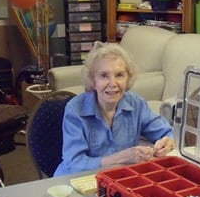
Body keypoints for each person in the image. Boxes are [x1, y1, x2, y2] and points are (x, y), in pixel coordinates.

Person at [54, 41, 174, 176]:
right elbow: (75, 164)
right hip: (76, 181)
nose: (113, 84)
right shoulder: (75, 109)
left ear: (128, 78)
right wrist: (123, 157)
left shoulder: (136, 103)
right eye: (104, 76)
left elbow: (167, 133)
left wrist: (167, 143)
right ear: (93, 81)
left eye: (119, 75)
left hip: (119, 179)